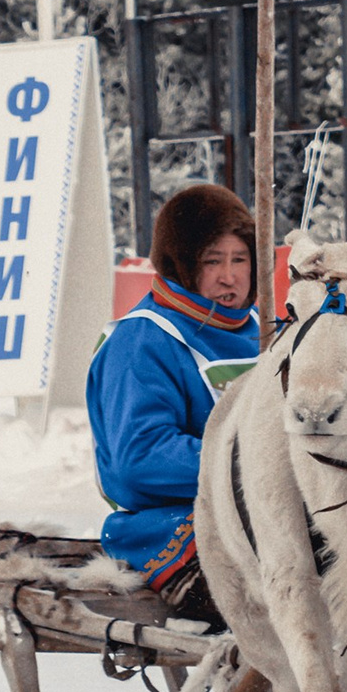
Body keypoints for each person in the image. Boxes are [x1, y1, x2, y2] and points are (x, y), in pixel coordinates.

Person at [86, 183, 262, 621]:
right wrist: (256, 464)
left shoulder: (266, 329)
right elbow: (140, 459)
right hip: (175, 529)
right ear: (181, 265)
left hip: (264, 514)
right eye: (211, 262)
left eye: (240, 260)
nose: (229, 277)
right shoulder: (142, 341)